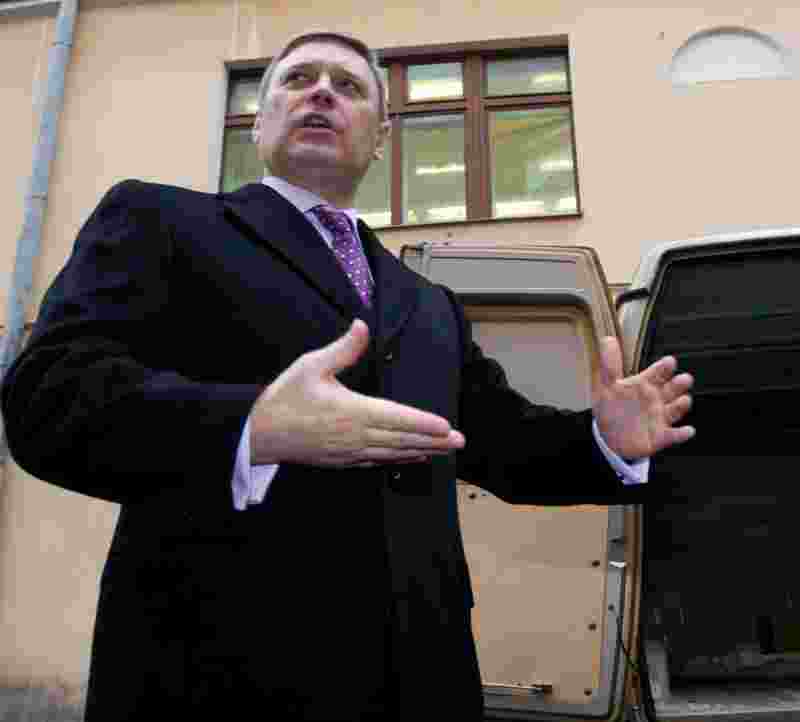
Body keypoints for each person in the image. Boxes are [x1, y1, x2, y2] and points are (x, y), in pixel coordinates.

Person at [0, 30, 696, 721]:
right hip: (218, 681)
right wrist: (249, 427)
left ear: (381, 135)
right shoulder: (161, 221)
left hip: (426, 679)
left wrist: (602, 440)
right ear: (259, 117)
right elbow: (50, 393)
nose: (324, 91)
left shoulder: (428, 302)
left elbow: (504, 444)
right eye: (299, 79)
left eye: (349, 85)